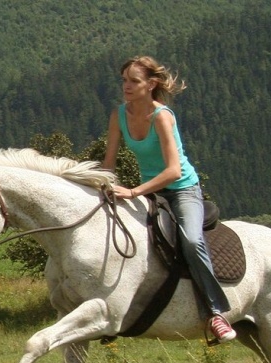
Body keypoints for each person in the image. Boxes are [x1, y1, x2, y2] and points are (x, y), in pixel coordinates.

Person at [101, 55, 236, 344]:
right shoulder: (119, 115)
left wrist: (135, 191)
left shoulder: (162, 116)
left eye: (133, 81)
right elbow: (108, 164)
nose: (126, 85)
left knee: (190, 240)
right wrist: (102, 187)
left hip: (182, 189)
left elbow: (174, 170)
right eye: (124, 80)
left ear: (151, 84)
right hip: (150, 189)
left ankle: (216, 312)